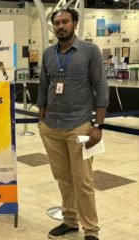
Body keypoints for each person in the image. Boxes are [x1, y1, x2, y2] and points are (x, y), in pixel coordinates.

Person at [37, 8, 109, 240]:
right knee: (63, 179)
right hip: (52, 126)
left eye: (65, 21)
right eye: (56, 23)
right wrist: (41, 121)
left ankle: (91, 231)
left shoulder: (90, 51)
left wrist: (98, 125)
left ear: (74, 23)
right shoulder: (48, 54)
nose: (60, 26)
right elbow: (43, 87)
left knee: (83, 181)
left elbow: (101, 87)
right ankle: (70, 221)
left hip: (79, 126)